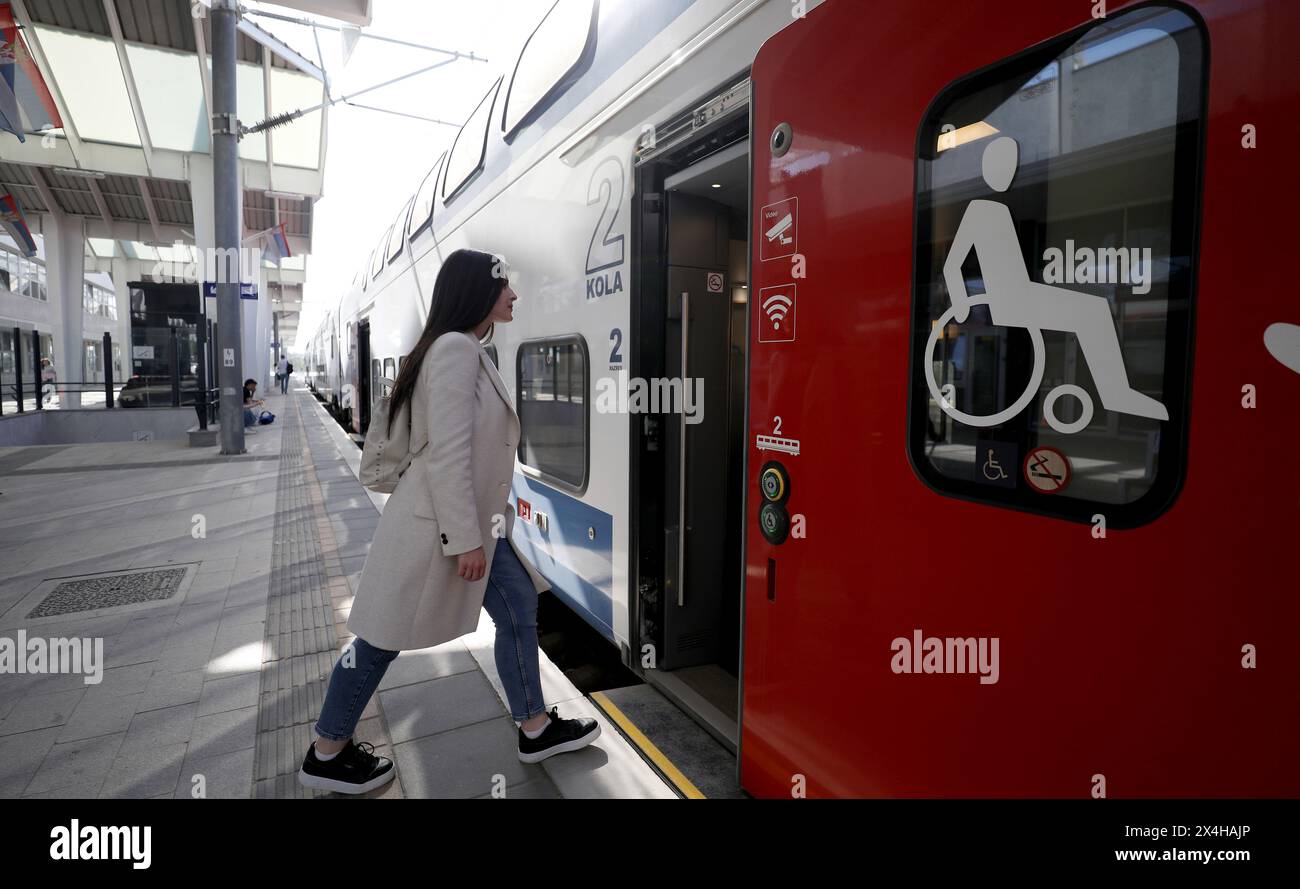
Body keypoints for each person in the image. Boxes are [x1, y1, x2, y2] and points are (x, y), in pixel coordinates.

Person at [298, 249, 599, 795]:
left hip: (465, 521)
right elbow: (449, 454)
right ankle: (327, 750)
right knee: (378, 639)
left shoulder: (458, 347)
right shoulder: (456, 349)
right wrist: (465, 542)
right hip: (435, 526)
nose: (514, 295)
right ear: (477, 292)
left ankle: (534, 726)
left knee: (519, 606)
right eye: (505, 286)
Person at [942, 136, 1167, 421]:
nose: (1007, 171)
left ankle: (1117, 393)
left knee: (1093, 309)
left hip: (1018, 291)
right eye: (1001, 165)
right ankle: (1117, 394)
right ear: (988, 169)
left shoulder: (1001, 210)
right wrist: (961, 304)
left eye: (1010, 165)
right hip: (1008, 298)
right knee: (1092, 311)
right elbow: (952, 265)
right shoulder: (979, 210)